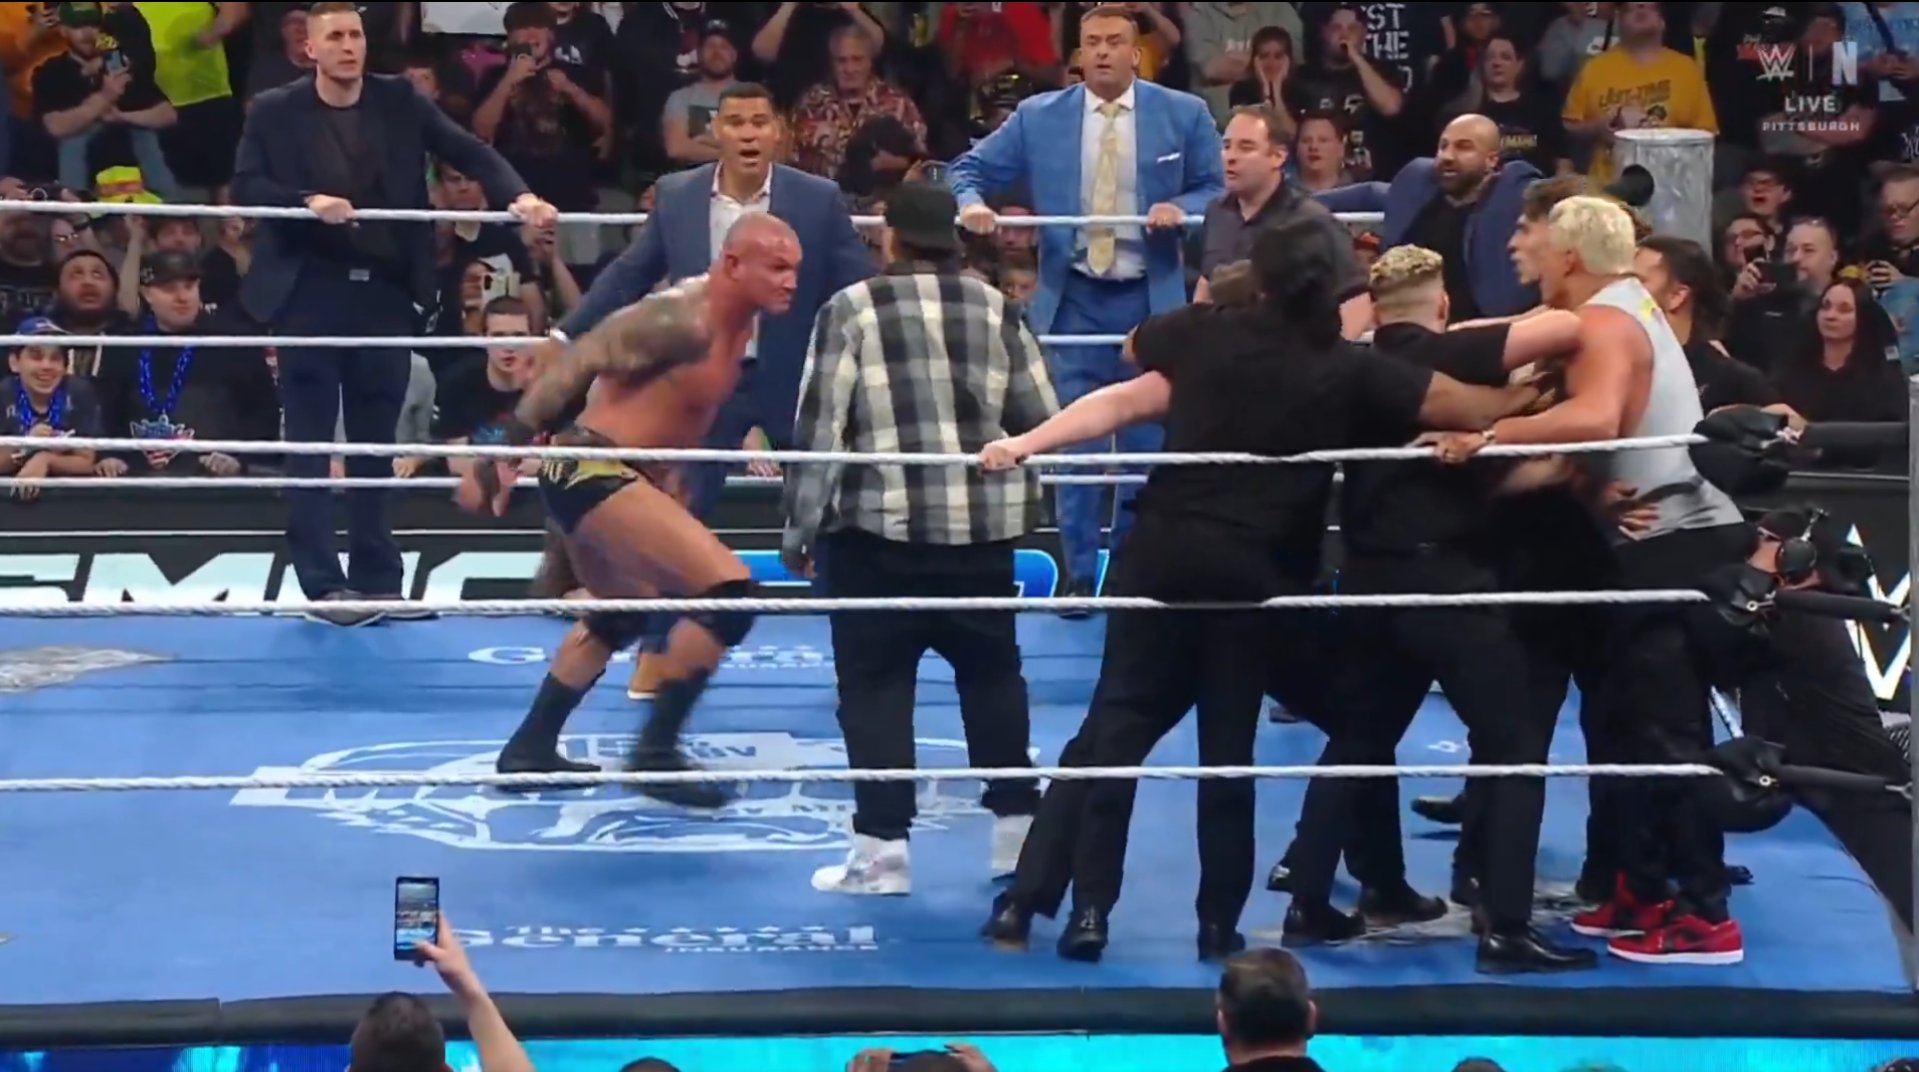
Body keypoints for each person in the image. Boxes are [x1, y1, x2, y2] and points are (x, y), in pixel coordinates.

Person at [975, 217, 1542, 964]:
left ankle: (1064, 910)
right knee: (1229, 750)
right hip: (1254, 578)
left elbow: (1129, 367)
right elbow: (1465, 407)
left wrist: (1024, 442)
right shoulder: (1347, 368)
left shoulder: (1205, 336)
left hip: (1165, 562)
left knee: (1112, 735)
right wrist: (1529, 398)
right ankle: (1218, 925)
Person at [1427, 196, 1753, 966]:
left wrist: (1488, 435)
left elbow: (1597, 418)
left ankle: (1703, 914)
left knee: (1665, 734)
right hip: (1656, 540)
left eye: (1535, 240)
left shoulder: (1605, 319)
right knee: (1632, 728)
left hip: (1672, 543)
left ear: (1569, 255)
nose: (1525, 254)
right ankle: (1642, 890)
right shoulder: (1622, 308)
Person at [1279, 245, 1596, 974]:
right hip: (1447, 581)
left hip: (1369, 579)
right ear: (1444, 305)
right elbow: (1567, 327)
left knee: (1357, 740)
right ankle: (1506, 928)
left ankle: (1307, 903)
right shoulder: (1455, 356)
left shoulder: (1355, 369)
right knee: (1514, 743)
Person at [539, 80, 871, 701]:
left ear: (779, 132)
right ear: (715, 131)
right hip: (703, 385)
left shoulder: (817, 199)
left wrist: (886, 343)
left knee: (838, 510)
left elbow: (856, 284)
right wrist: (566, 335)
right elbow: (631, 273)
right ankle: (656, 659)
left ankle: (861, 661)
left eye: (759, 122)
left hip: (795, 376)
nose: (748, 134)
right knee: (675, 513)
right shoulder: (678, 196)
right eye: (736, 122)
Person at [233, 0, 555, 627]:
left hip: (383, 292)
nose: (348, 46)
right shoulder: (275, 110)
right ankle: (322, 587)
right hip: (308, 291)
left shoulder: (400, 100)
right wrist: (307, 201)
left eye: (355, 34)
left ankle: (379, 583)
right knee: (310, 445)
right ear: (310, 49)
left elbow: (468, 148)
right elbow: (247, 185)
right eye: (335, 36)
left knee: (375, 445)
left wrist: (520, 197)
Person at [467, 214, 804, 809]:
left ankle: (529, 748)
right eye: (777, 267)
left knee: (620, 616)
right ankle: (656, 752)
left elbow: (677, 410)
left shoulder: (738, 328)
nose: (791, 281)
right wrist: (503, 444)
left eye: (794, 269)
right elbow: (582, 358)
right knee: (728, 594)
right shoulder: (681, 316)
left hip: (619, 475)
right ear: (732, 264)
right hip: (591, 468)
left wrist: (668, 483)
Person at [782, 182, 1057, 895]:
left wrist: (800, 527)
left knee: (874, 688)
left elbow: (819, 430)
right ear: (954, 240)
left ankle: (883, 856)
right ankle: (1016, 837)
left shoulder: (851, 308)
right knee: (992, 679)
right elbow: (1041, 420)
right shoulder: (998, 308)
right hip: (979, 536)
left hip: (879, 534)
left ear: (890, 236)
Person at [948, 3, 1225, 609]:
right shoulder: (1039, 116)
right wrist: (972, 203)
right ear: (1078, 53)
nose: (1101, 51)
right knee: (1075, 445)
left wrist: (1181, 209)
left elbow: (1216, 188)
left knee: (1146, 446)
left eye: (1114, 41)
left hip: (1151, 298)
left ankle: (1127, 572)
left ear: (1136, 53)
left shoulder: (1183, 113)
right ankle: (1077, 575)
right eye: (1091, 41)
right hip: (1072, 296)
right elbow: (965, 168)